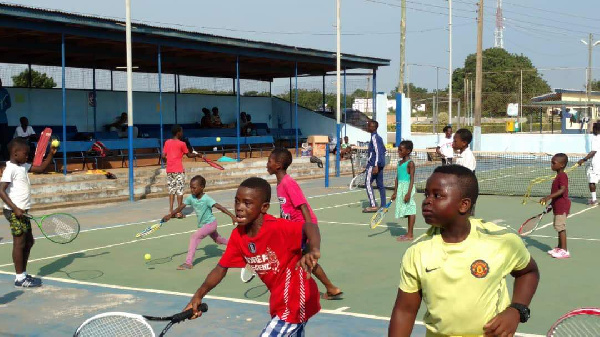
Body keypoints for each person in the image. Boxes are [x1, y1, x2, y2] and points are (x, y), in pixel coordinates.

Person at [388, 165, 540, 337]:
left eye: (437, 195)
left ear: (464, 205)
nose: (427, 201)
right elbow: (405, 311)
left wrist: (517, 309)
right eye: (427, 194)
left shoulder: (501, 240)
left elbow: (528, 272)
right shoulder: (417, 251)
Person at [183, 177, 322, 336]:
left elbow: (309, 226)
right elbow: (221, 268)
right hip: (279, 301)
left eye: (247, 203)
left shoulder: (278, 228)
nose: (239, 208)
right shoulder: (238, 236)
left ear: (264, 207)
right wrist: (198, 295)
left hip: (297, 300)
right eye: (237, 202)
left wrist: (314, 249)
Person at [267, 148, 343, 300]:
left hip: (303, 227)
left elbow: (303, 206)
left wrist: (309, 230)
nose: (267, 164)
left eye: (270, 161)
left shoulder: (288, 183)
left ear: (278, 165)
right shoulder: (281, 183)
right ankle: (330, 288)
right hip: (295, 228)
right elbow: (287, 209)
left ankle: (323, 288)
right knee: (305, 260)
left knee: (296, 259)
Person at [0, 138, 57, 287]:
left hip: (22, 212)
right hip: (14, 212)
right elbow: (1, 190)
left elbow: (41, 168)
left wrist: (50, 154)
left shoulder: (23, 166)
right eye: (25, 153)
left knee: (29, 242)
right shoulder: (10, 169)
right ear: (15, 153)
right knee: (19, 243)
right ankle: (20, 278)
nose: (28, 156)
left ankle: (23, 273)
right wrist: (15, 208)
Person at [162, 175, 234, 270]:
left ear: (202, 187)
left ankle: (188, 263)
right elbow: (180, 207)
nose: (192, 190)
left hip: (211, 224)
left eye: (194, 188)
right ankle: (236, 245)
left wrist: (232, 216)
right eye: (191, 187)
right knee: (218, 240)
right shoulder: (191, 198)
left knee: (194, 237)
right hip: (204, 225)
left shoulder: (207, 199)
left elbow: (220, 207)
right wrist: (170, 215)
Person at [162, 125, 199, 219]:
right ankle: (179, 212)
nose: (182, 133)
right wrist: (197, 155)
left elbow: (163, 156)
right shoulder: (182, 144)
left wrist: (168, 162)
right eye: (181, 131)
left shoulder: (167, 142)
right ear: (178, 132)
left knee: (171, 190)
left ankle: (171, 211)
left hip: (169, 170)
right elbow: (189, 155)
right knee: (179, 191)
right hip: (178, 170)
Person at [540, 153, 571, 259]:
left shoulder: (562, 176)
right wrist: (551, 205)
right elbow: (557, 195)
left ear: (562, 165)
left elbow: (562, 190)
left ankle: (564, 251)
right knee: (558, 227)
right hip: (557, 206)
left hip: (562, 207)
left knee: (560, 228)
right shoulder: (558, 176)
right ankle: (559, 247)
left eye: (554, 163)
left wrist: (548, 197)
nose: (551, 165)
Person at [391, 140, 416, 242]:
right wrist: (395, 192)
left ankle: (410, 234)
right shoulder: (399, 163)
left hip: (407, 188)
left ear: (408, 151)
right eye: (398, 150)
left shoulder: (410, 164)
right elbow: (397, 178)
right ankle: (408, 233)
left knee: (410, 210)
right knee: (405, 210)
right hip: (400, 188)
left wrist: (409, 193)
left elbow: (412, 179)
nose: (399, 152)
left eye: (401, 150)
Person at [363, 120, 387, 213]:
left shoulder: (374, 138)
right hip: (379, 164)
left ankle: (373, 206)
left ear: (373, 127)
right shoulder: (379, 138)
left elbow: (377, 152)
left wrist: (375, 165)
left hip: (374, 165)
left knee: (368, 183)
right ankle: (383, 205)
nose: (368, 127)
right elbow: (384, 151)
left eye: (369, 126)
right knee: (380, 185)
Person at [577, 122, 600, 206]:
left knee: (592, 181)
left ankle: (594, 200)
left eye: (593, 128)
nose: (592, 130)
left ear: (596, 129)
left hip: (596, 163)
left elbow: (593, 152)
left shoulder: (596, 138)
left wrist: (583, 160)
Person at [0, 77, 12, 161]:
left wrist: (3, 108)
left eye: (0, 82)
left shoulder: (5, 91)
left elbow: (9, 103)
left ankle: (5, 157)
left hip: (3, 121)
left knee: (4, 140)